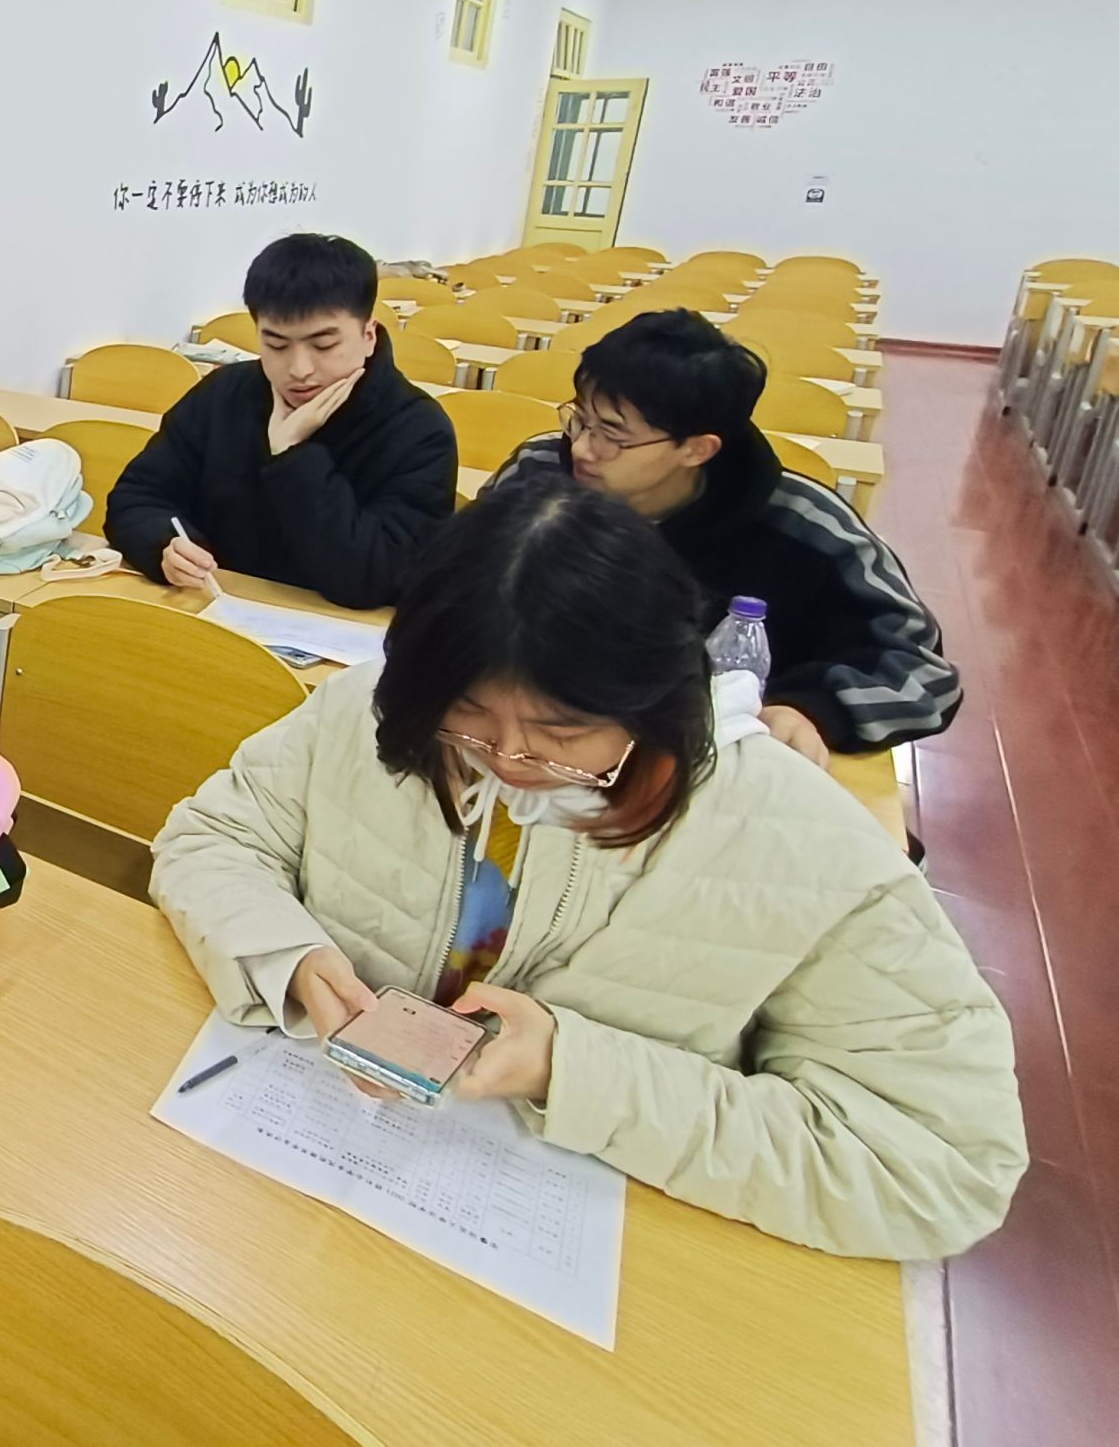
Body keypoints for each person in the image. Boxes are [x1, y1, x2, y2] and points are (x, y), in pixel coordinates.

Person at [148, 481, 1023, 1260]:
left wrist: (571, 1070)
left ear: (652, 698)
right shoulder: (369, 714)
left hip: (583, 1249)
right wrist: (289, 957)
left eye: (561, 733)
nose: (507, 758)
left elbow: (938, 1166)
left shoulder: (803, 844)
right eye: (468, 713)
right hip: (310, 1187)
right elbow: (213, 837)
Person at [485, 308, 959, 758]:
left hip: (713, 761)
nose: (582, 448)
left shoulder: (808, 526)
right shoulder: (537, 475)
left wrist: (813, 710)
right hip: (534, 740)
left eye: (613, 435)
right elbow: (457, 592)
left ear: (697, 450)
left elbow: (923, 674)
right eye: (579, 420)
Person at [105, 233, 457, 608]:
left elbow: (378, 578)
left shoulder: (419, 430)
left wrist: (293, 455)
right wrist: (164, 546)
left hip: (336, 631)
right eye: (276, 345)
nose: (299, 369)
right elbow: (136, 497)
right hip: (209, 611)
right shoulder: (224, 394)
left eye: (323, 345)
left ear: (368, 335)